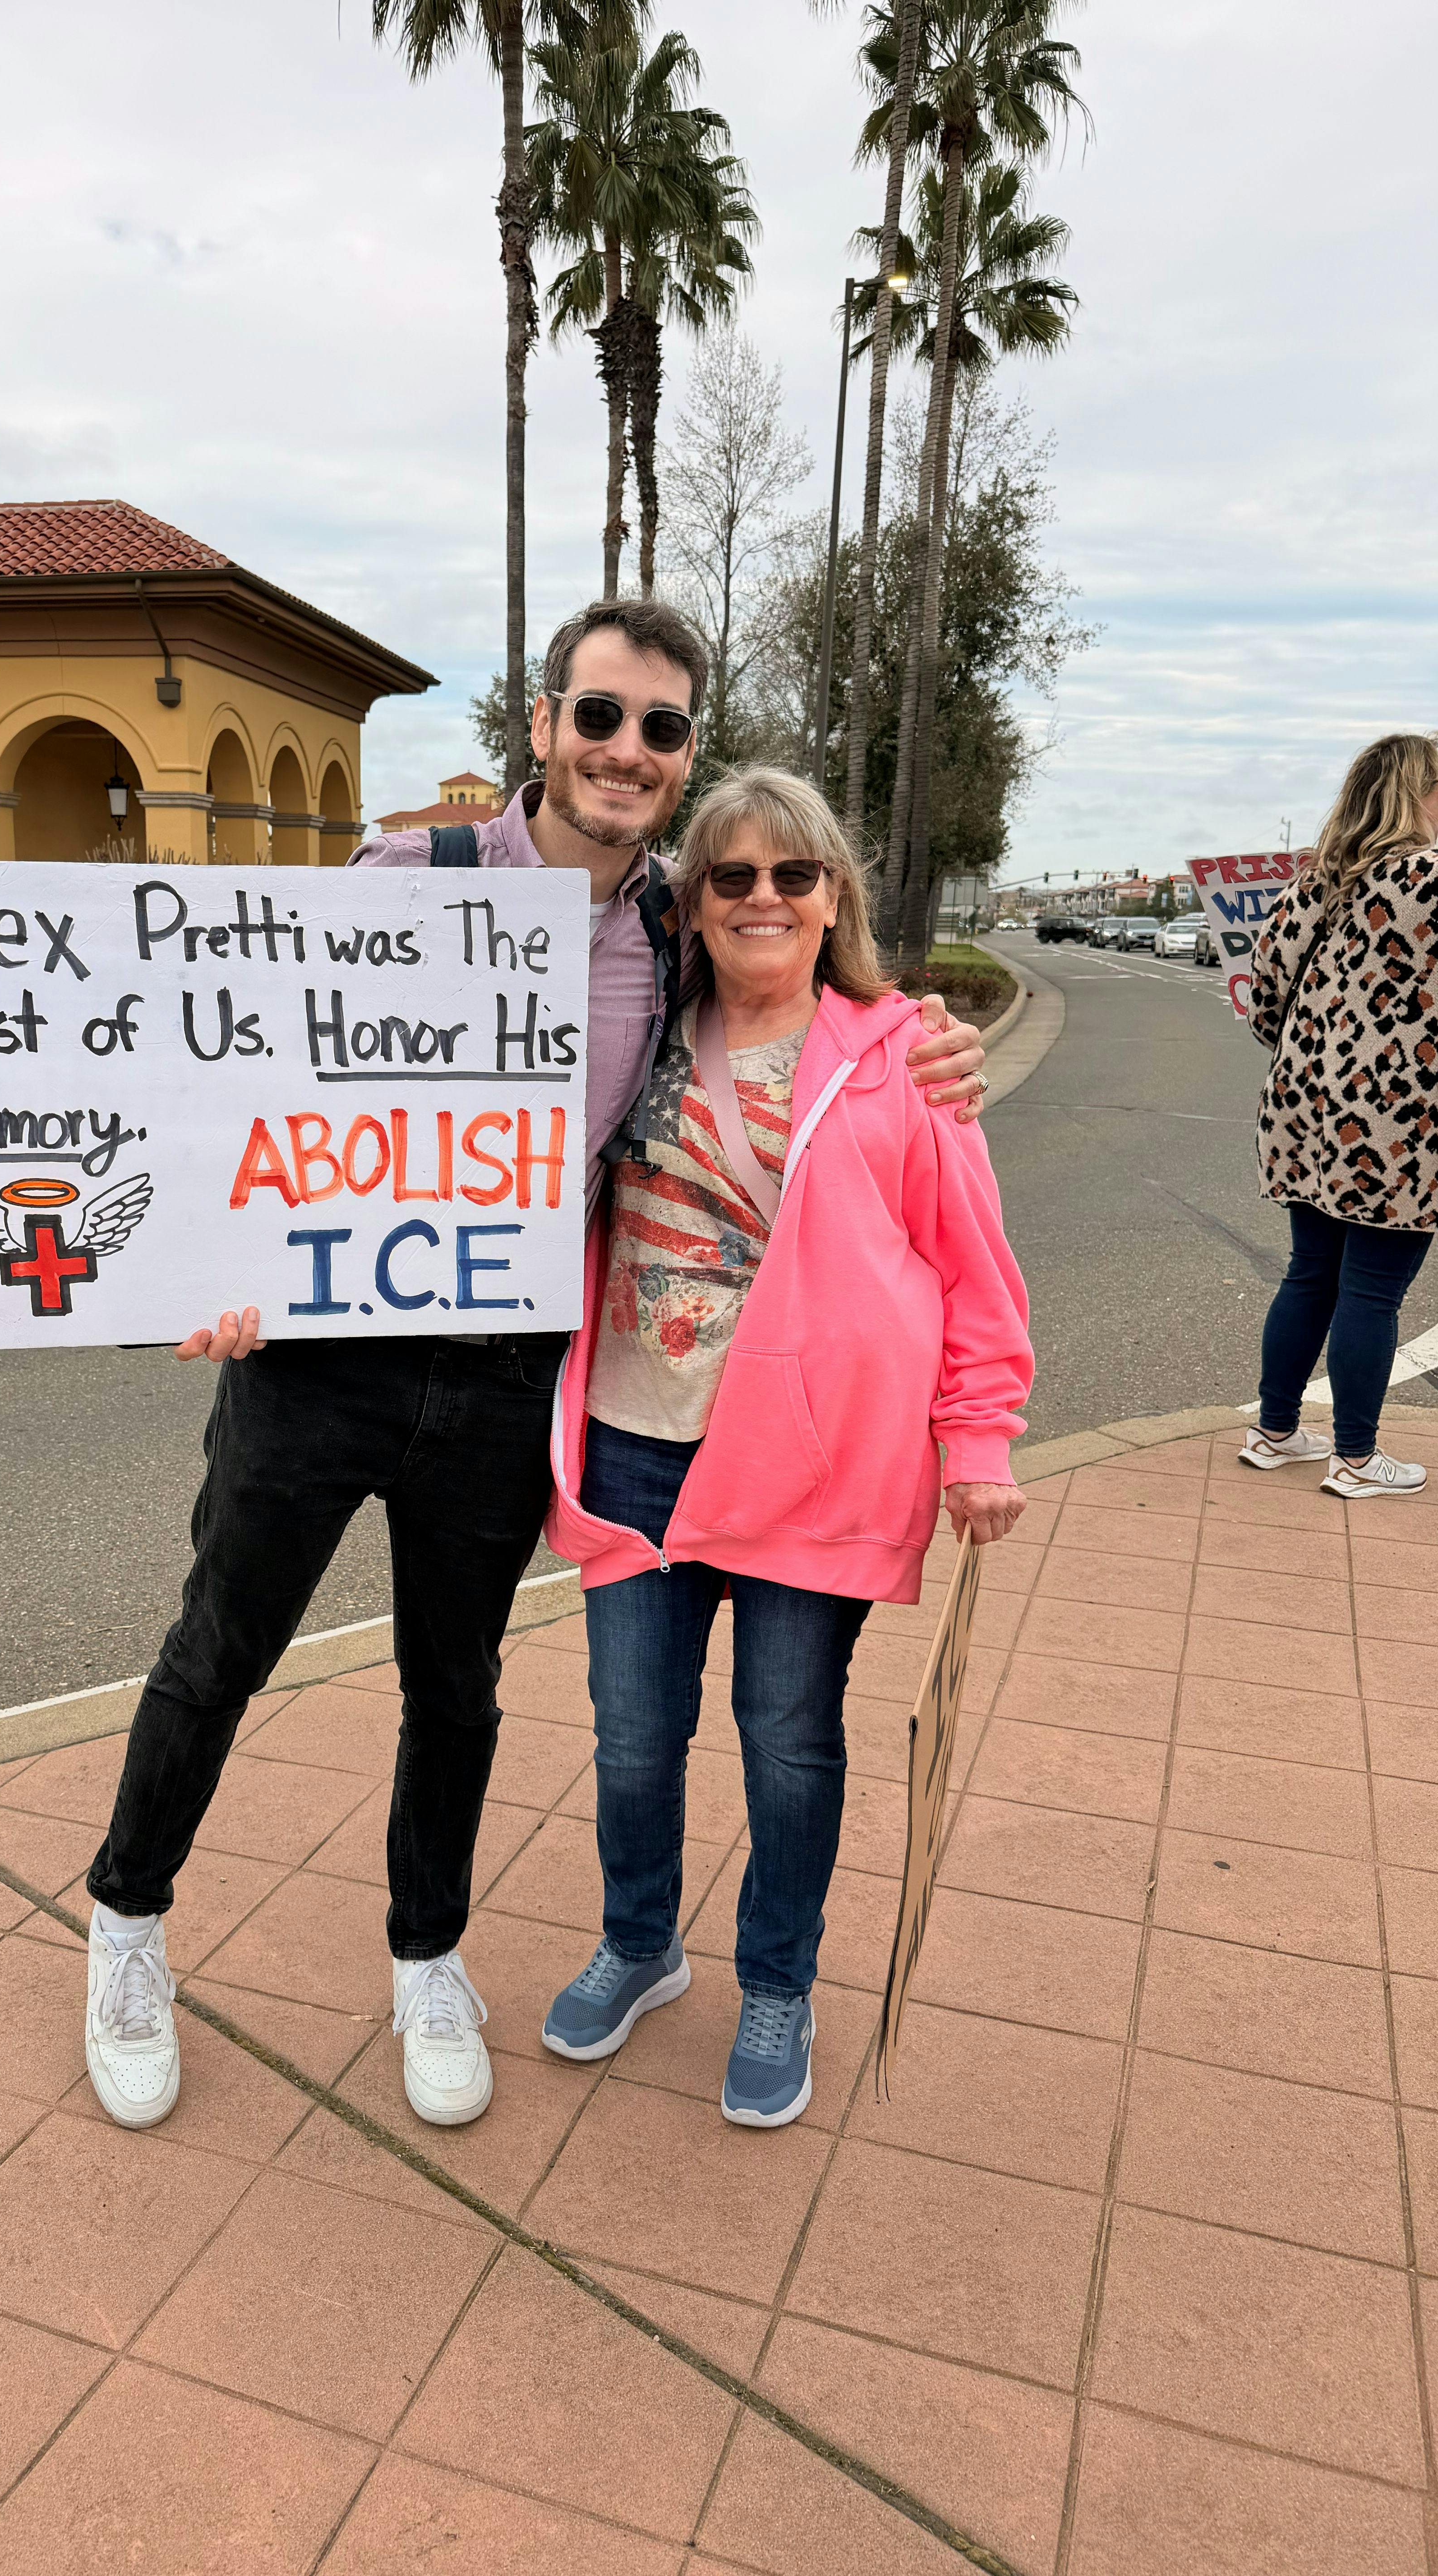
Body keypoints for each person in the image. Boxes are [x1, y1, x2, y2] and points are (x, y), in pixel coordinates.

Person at [80, 601, 992, 2136]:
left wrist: (922, 1039)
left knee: (457, 1689)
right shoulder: (406, 878)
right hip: (322, 1359)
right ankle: (126, 1927)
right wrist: (212, 1270)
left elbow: (812, 1023)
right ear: (543, 727)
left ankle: (427, 1957)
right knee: (217, 1653)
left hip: (511, 1378)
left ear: (683, 751)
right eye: (600, 716)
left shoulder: (669, 929)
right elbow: (246, 1079)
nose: (625, 751)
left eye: (660, 728)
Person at [539, 765, 1032, 2125]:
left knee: (787, 1741)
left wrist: (977, 1438)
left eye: (792, 876)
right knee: (635, 1736)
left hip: (812, 1466)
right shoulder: (628, 1034)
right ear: (688, 903)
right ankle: (640, 1943)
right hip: (637, 1446)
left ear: (834, 902)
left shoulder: (899, 1058)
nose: (763, 896)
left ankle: (778, 1980)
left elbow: (975, 1271)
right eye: (730, 875)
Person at [1240, 731, 1438, 1498]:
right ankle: (1355, 1458)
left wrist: (1313, 1054)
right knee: (1372, 1292)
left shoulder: (1314, 880)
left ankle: (1275, 1430)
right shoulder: (1430, 880)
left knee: (1311, 1274)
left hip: (1304, 1110)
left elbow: (1264, 996)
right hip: (1402, 1126)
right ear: (1417, 793)